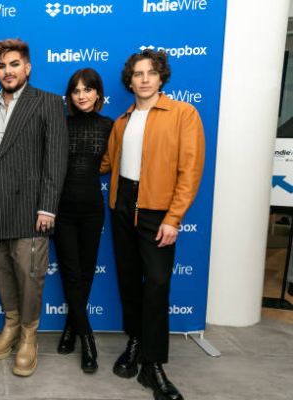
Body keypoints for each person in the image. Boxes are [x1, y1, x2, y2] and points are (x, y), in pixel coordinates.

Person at [103, 49, 204, 400]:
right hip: (122, 206)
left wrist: (173, 217)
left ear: (161, 77)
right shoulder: (121, 122)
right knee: (129, 282)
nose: (144, 79)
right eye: (137, 74)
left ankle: (153, 364)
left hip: (158, 210)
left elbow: (189, 171)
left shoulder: (183, 114)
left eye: (151, 73)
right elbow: (106, 164)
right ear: (129, 81)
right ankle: (134, 341)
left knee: (158, 284)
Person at [0, 38, 68, 377]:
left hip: (31, 210)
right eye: (2, 66)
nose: (7, 71)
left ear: (27, 68)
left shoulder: (46, 102)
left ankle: (29, 335)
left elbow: (55, 160)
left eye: (14, 64)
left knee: (30, 278)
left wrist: (48, 207)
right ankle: (11, 325)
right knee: (3, 275)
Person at [54, 68, 113, 373]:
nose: (82, 95)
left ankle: (70, 328)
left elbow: (108, 165)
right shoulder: (60, 125)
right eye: (76, 91)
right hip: (62, 210)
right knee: (70, 273)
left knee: (86, 273)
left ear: (97, 94)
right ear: (70, 96)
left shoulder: (109, 126)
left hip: (92, 209)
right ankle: (87, 338)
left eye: (87, 90)